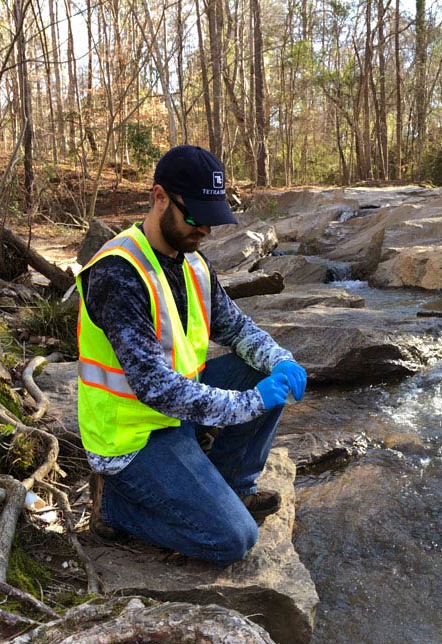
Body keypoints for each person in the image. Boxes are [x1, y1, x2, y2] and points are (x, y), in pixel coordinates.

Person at [76, 145, 306, 565]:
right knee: (233, 540)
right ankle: (114, 507)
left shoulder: (192, 262)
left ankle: (234, 485)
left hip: (179, 417)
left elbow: (234, 326)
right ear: (160, 196)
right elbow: (154, 386)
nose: (204, 231)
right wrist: (251, 403)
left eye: (212, 220)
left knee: (260, 370)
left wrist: (279, 360)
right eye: (195, 217)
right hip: (132, 438)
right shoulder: (118, 271)